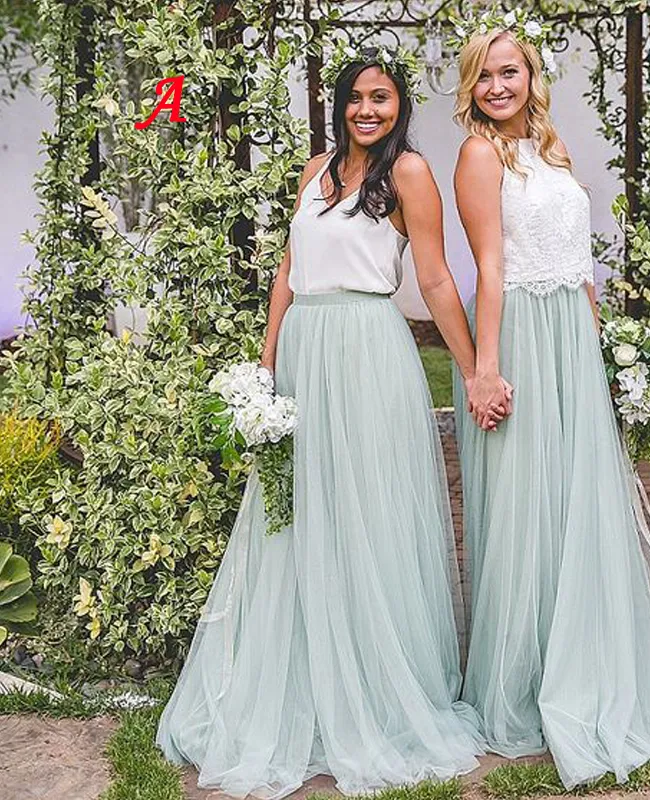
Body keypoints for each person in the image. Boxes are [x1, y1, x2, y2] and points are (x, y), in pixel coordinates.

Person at [156, 44, 495, 799]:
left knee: (366, 513)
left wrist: (473, 368)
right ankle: (301, 681)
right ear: (338, 103)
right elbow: (286, 271)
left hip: (370, 352)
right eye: (356, 97)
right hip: (307, 354)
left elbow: (436, 277)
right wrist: (265, 367)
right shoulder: (313, 171)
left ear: (400, 105)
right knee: (297, 515)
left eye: (383, 97)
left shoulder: (408, 174)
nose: (369, 109)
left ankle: (376, 687)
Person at [450, 11, 650, 790]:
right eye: (484, 74)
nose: (497, 86)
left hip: (569, 340)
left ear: (531, 78)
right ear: (471, 84)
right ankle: (519, 686)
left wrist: (601, 352)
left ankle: (581, 660)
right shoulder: (477, 156)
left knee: (573, 502)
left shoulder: (551, 150)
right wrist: (484, 369)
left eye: (509, 72)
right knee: (525, 510)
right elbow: (488, 266)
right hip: (516, 335)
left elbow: (580, 266)